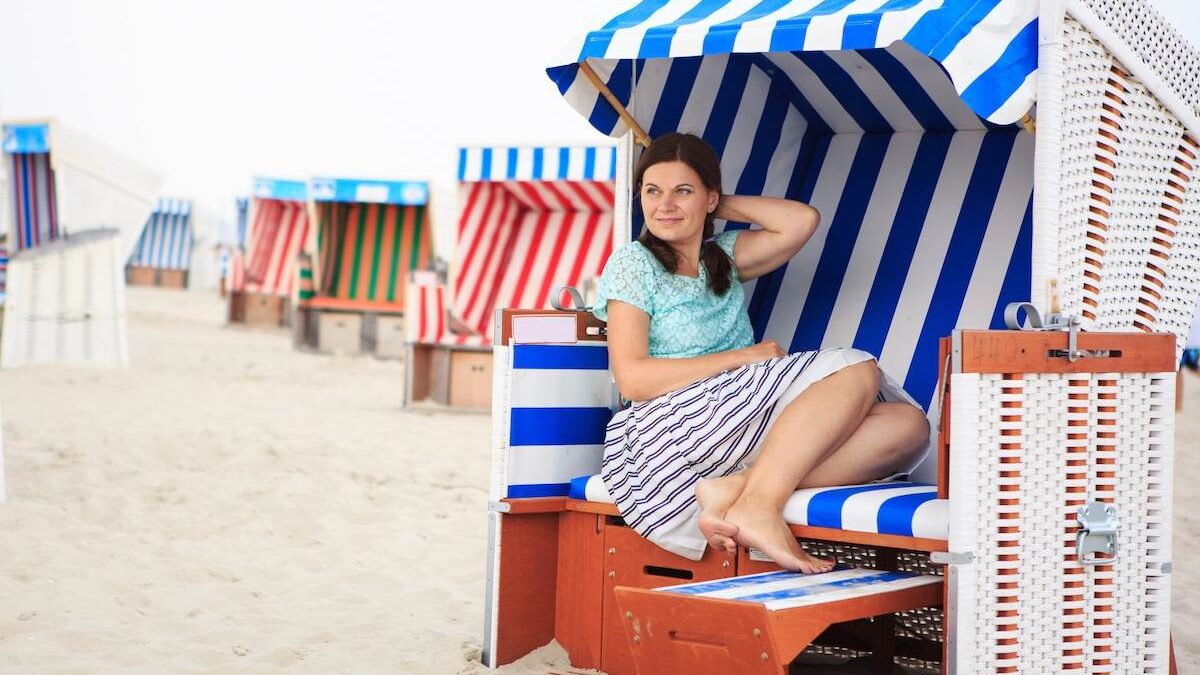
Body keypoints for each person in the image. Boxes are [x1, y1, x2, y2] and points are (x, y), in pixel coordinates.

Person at [592, 133, 930, 573]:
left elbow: (801, 220)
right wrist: (740, 357)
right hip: (670, 426)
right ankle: (759, 505)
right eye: (652, 192)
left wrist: (714, 203)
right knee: (859, 368)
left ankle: (737, 490)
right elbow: (633, 379)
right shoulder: (634, 263)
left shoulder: (723, 258)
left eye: (683, 191)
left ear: (710, 197)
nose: (665, 205)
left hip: (737, 417)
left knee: (908, 428)